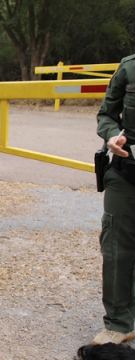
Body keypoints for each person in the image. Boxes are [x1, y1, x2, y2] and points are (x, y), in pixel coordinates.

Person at [93, 53, 135, 345]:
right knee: (116, 248)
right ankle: (119, 323)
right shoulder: (129, 67)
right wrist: (111, 136)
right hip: (126, 171)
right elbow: (106, 114)